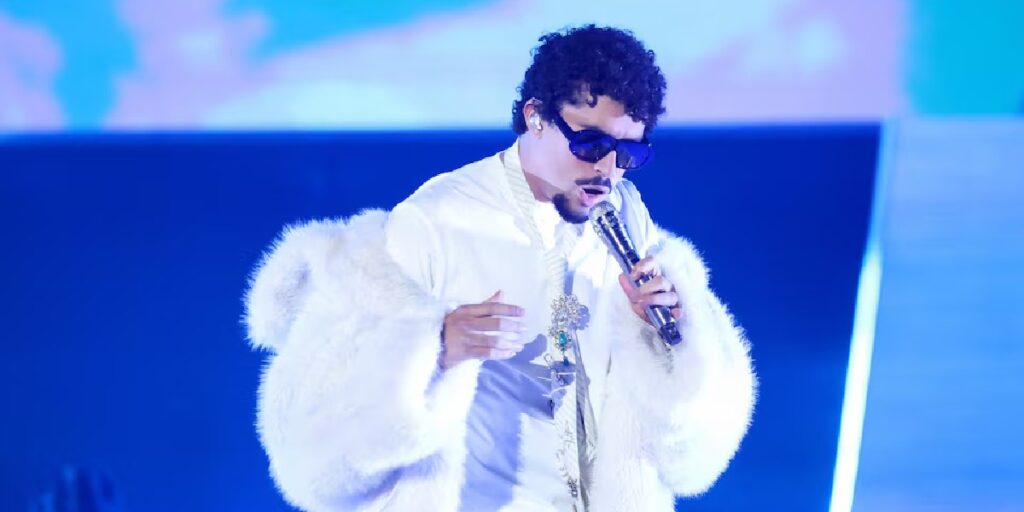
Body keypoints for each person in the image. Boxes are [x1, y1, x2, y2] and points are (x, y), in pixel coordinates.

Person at [244, 24, 756, 512]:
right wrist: (434, 348)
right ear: (536, 116)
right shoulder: (438, 222)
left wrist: (671, 340)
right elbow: (316, 448)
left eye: (629, 152)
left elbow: (694, 447)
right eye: (591, 145)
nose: (608, 170)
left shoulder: (628, 220)